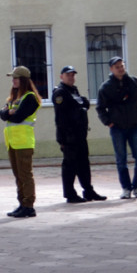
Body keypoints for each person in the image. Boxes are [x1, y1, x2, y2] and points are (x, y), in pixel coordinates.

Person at [96, 56, 137, 199]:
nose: (120, 69)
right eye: (117, 67)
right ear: (111, 69)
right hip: (117, 128)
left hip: (135, 126)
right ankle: (126, 188)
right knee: (121, 160)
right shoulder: (106, 87)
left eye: (122, 66)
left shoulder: (135, 83)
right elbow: (100, 108)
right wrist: (108, 122)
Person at [51, 66, 106, 203]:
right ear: (61, 76)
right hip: (69, 136)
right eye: (68, 75)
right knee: (70, 166)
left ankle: (88, 191)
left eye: (73, 75)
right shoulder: (60, 93)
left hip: (80, 134)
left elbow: (84, 104)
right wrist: (63, 139)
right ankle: (70, 194)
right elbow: (62, 117)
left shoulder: (73, 90)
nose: (71, 77)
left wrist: (81, 103)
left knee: (83, 164)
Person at [0, 66, 42, 218]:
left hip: (24, 142)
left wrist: (9, 113)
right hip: (12, 142)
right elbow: (1, 113)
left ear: (23, 80)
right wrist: (8, 112)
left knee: (25, 175)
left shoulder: (30, 98)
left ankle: (29, 205)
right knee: (18, 175)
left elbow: (18, 117)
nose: (13, 81)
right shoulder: (14, 98)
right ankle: (22, 203)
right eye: (13, 78)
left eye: (16, 78)